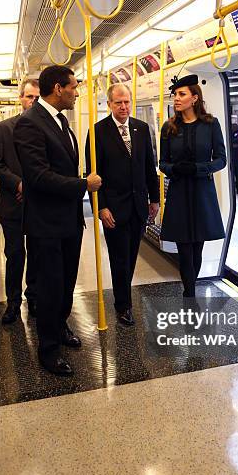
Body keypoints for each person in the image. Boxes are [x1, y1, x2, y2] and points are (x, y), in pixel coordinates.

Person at [13, 65, 101, 376]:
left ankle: (61, 327)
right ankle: (48, 350)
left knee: (65, 283)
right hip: (46, 224)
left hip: (68, 221)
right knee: (49, 288)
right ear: (57, 89)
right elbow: (38, 177)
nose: (77, 92)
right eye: (73, 87)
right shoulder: (29, 124)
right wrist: (82, 185)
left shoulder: (61, 121)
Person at [85, 83, 159, 326]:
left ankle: (123, 296)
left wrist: (155, 199)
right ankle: (123, 305)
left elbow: (150, 166)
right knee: (119, 258)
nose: (124, 107)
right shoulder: (97, 132)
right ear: (109, 104)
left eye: (127, 102)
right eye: (118, 103)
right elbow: (93, 174)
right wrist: (101, 207)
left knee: (131, 256)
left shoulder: (141, 128)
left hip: (138, 206)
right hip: (113, 210)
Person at [159, 74, 226, 298]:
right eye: (175, 94)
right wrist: (175, 169)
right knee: (184, 249)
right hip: (179, 192)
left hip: (201, 193)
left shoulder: (211, 124)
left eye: (182, 94)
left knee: (197, 247)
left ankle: (191, 288)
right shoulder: (168, 128)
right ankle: (189, 293)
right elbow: (162, 163)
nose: (176, 99)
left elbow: (221, 159)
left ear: (194, 98)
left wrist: (199, 169)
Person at [0, 79, 40, 324]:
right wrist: (18, 184)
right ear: (21, 98)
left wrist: (31, 187)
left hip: (38, 204)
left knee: (37, 253)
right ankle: (12, 302)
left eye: (37, 97)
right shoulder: (4, 128)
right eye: (29, 96)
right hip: (12, 203)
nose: (33, 101)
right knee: (15, 254)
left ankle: (33, 297)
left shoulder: (45, 129)